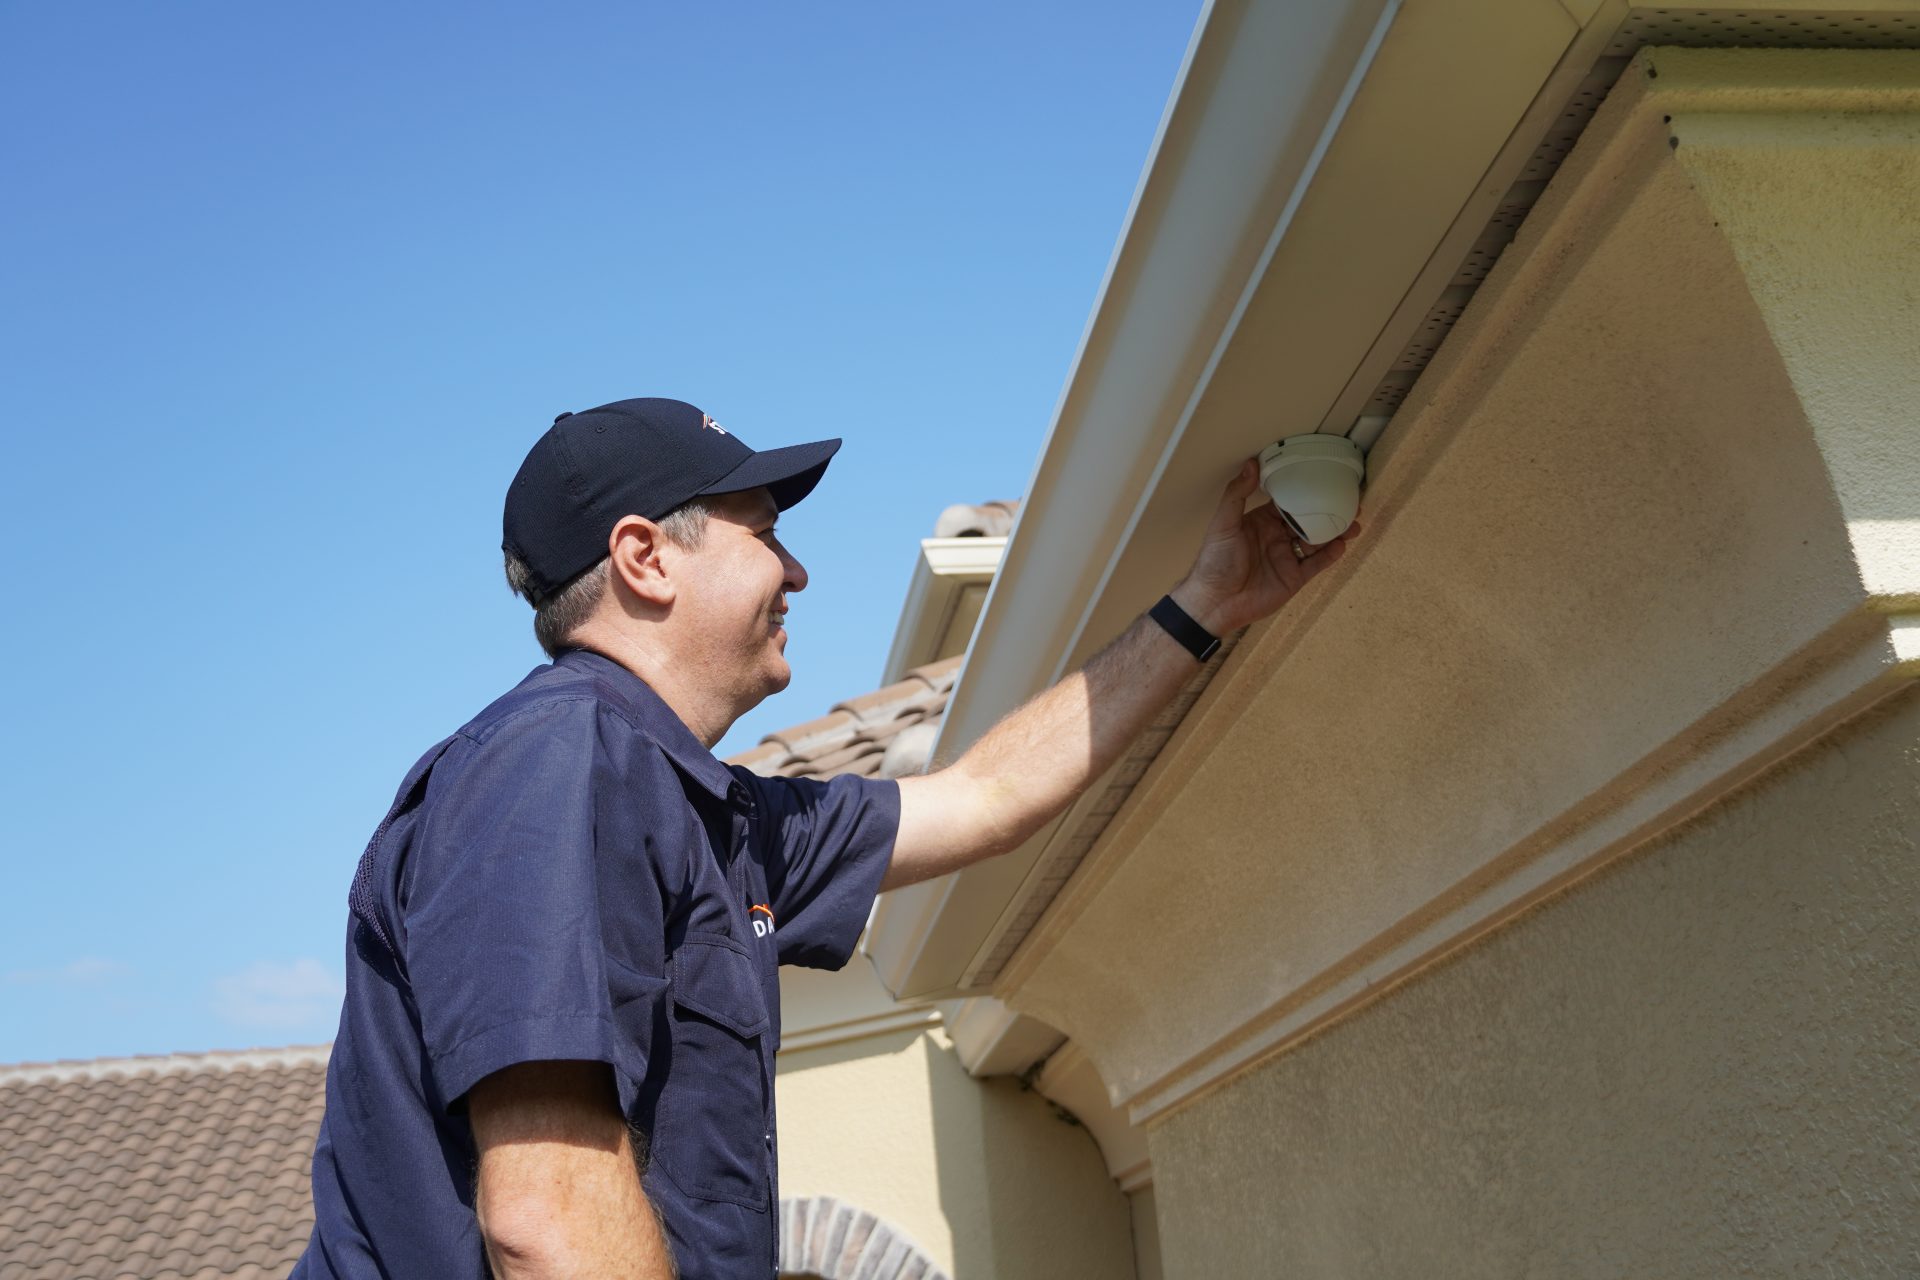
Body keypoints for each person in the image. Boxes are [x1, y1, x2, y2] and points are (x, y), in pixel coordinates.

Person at [292, 397, 1357, 1280]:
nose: (795, 572)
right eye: (764, 532)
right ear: (644, 557)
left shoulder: (713, 812)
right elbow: (549, 1208)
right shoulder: (555, 766)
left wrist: (1210, 599)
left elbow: (982, 796)